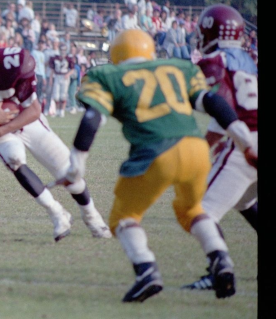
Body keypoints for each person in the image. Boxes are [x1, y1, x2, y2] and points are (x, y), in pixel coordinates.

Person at [55, 29, 256, 302]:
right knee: (193, 210)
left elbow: (92, 119)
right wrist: (244, 141)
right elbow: (212, 102)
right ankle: (220, 259)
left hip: (155, 153)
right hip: (196, 150)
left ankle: (146, 269)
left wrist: (75, 166)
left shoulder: (107, 75)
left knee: (124, 218)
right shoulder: (179, 67)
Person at [0, 31, 112, 242]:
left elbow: (34, 110)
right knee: (14, 159)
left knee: (68, 172)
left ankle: (92, 215)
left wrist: (0, 128)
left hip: (26, 120)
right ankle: (56, 212)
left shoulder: (14, 63)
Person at [181, 4, 258, 291]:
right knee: (244, 201)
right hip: (252, 132)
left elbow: (222, 107)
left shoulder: (214, 62)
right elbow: (226, 110)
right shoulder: (248, 61)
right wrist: (208, 145)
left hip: (247, 140)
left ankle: (220, 268)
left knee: (199, 211)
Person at [48, 43, 73, 117]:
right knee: (56, 96)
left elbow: (72, 69)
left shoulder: (68, 58)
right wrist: (50, 78)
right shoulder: (55, 58)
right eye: (61, 50)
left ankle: (62, 111)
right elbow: (52, 69)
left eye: (64, 50)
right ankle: (57, 110)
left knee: (63, 95)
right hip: (57, 76)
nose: (63, 51)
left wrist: (68, 74)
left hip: (65, 77)